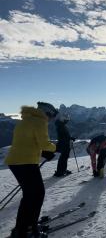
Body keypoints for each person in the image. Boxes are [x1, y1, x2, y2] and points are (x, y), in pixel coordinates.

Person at [5, 102, 58, 238]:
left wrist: (41, 152)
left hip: (16, 162)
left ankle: (25, 226)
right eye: (52, 116)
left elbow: (27, 142)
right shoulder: (40, 122)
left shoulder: (25, 120)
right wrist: (54, 148)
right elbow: (43, 143)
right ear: (48, 113)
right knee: (36, 195)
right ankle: (25, 230)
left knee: (30, 195)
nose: (51, 119)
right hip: (25, 163)